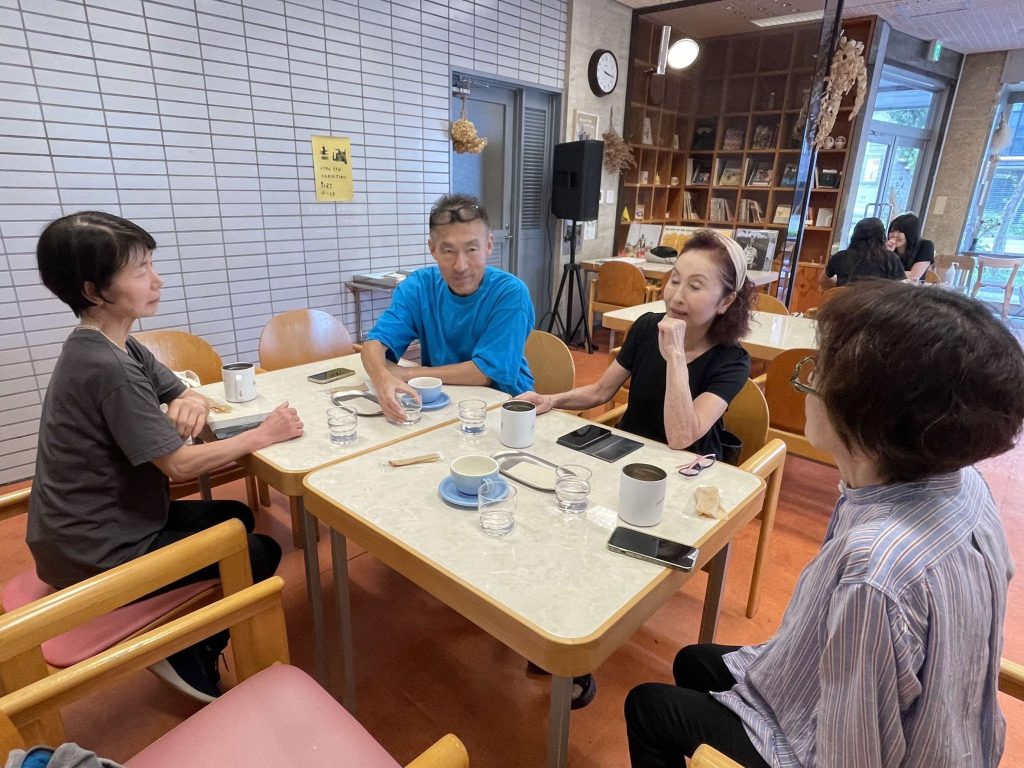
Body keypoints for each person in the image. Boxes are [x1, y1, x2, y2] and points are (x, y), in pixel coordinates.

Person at [624, 280, 1024, 768]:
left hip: (872, 750)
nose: (807, 384)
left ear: (865, 414)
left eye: (818, 372)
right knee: (693, 660)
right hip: (949, 730)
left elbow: (850, 754)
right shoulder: (965, 484)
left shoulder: (874, 569)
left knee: (648, 707)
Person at [28, 211, 304, 703]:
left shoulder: (113, 345)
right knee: (259, 551)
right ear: (94, 291)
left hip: (96, 527)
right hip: (96, 553)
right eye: (140, 271)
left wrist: (189, 399)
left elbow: (183, 389)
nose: (157, 280)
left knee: (235, 515)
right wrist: (262, 434)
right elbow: (178, 465)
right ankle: (190, 652)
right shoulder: (108, 368)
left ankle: (189, 628)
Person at [518, 229, 753, 461]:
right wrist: (552, 400)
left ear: (725, 301)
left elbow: (681, 437)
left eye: (695, 286)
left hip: (688, 467)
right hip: (628, 454)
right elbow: (601, 391)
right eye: (675, 280)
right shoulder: (646, 327)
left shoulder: (732, 360)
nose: (676, 297)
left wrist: (675, 355)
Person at [361, 193, 535, 423]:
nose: (460, 266)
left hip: (507, 409)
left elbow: (485, 373)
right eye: (448, 251)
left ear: (488, 245)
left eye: (471, 249)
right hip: (443, 405)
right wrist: (383, 379)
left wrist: (405, 373)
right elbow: (373, 345)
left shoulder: (510, 293)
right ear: (432, 248)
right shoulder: (419, 286)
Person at [819, 217, 904, 290]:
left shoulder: (840, 256)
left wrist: (840, 289)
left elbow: (822, 281)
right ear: (882, 236)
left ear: (854, 235)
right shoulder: (890, 258)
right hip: (877, 303)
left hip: (843, 302)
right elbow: (901, 288)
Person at [888, 212, 935, 282]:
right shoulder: (888, 247)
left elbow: (914, 275)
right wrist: (888, 252)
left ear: (911, 233)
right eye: (892, 231)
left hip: (912, 287)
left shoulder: (926, 246)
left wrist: (886, 272)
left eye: (900, 232)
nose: (894, 235)